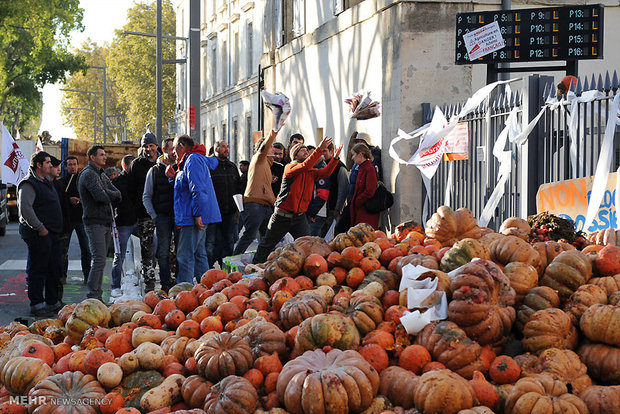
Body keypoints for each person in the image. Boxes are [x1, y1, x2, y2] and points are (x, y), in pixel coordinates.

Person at [253, 137, 342, 264]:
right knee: (267, 244)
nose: (306, 152)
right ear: (295, 155)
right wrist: (319, 149)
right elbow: (306, 165)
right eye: (303, 151)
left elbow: (326, 172)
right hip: (282, 215)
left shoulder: (310, 171)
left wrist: (335, 159)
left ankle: (309, 268)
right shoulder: (290, 167)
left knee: (307, 245)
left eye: (307, 150)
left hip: (299, 217)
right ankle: (254, 267)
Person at [17, 151, 64, 317]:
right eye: (48, 162)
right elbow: (26, 210)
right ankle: (37, 304)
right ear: (39, 165)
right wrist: (40, 228)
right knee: (38, 269)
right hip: (39, 234)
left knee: (54, 267)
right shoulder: (28, 184)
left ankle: (52, 302)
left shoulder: (46, 182)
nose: (50, 165)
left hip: (51, 233)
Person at [170, 134, 220, 283]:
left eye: (174, 148)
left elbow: (198, 189)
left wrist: (197, 214)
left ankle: (185, 290)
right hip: (194, 215)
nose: (173, 152)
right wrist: (173, 177)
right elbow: (188, 186)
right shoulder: (193, 160)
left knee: (185, 256)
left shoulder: (192, 160)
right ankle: (206, 288)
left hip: (191, 217)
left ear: (181, 146)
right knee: (199, 254)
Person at [78, 145, 121, 301]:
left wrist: (109, 193)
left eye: (105, 154)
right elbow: (100, 196)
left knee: (102, 260)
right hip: (94, 221)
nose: (105, 157)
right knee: (99, 259)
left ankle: (97, 293)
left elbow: (117, 193)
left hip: (105, 221)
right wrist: (109, 194)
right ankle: (93, 294)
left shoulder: (101, 174)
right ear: (92, 157)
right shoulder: (89, 174)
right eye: (101, 155)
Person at [233, 129, 279, 255]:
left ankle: (264, 262)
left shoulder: (267, 165)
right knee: (250, 235)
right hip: (255, 204)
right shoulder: (258, 158)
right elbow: (265, 147)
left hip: (265, 205)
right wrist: (274, 132)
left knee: (268, 237)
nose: (273, 150)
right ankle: (233, 260)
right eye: (270, 147)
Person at [143, 138, 177, 291]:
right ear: (164, 151)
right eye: (172, 149)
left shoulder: (181, 167)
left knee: (180, 252)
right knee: (162, 252)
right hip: (163, 217)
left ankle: (178, 282)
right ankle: (165, 283)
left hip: (180, 217)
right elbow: (147, 195)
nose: (175, 152)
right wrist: (154, 216)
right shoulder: (155, 171)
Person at [128, 132, 159, 292]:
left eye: (151, 146)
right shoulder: (137, 164)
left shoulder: (163, 162)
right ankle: (149, 282)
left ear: (156, 146)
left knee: (167, 249)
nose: (148, 149)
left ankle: (168, 280)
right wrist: (136, 211)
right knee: (146, 249)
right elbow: (132, 190)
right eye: (145, 146)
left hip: (162, 213)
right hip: (143, 214)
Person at [207, 141, 242, 268]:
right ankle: (208, 271)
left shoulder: (232, 166)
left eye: (227, 146)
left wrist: (238, 208)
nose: (226, 149)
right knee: (211, 243)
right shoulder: (209, 166)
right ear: (216, 149)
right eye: (223, 147)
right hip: (212, 212)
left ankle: (226, 270)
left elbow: (238, 187)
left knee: (229, 241)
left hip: (230, 212)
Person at [59, 156, 91, 284]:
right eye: (70, 164)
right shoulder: (62, 182)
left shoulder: (82, 179)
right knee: (64, 249)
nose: (72, 167)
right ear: (66, 167)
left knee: (86, 249)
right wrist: (68, 200)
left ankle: (87, 275)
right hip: (68, 220)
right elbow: (60, 200)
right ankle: (63, 275)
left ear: (78, 166)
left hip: (82, 219)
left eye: (74, 164)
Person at [110, 155, 137, 297]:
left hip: (137, 220)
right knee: (119, 254)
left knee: (153, 243)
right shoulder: (117, 182)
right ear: (125, 166)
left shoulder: (137, 179)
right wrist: (113, 225)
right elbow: (112, 203)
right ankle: (115, 285)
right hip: (123, 223)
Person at [321, 143, 348, 237]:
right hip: (322, 210)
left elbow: (343, 190)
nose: (321, 153)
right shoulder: (321, 165)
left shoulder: (340, 168)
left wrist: (338, 208)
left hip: (333, 209)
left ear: (332, 151)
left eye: (324, 151)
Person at [349, 143, 379, 229]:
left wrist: (357, 201)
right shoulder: (362, 167)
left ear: (361, 154)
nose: (352, 158)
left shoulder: (369, 168)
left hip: (365, 211)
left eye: (354, 154)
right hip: (359, 209)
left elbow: (370, 191)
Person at [306, 150, 330, 236]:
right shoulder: (315, 167)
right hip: (315, 212)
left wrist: (312, 212)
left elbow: (322, 195)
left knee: (312, 243)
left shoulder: (321, 169)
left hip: (317, 213)